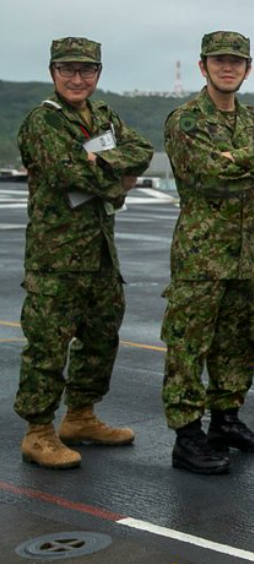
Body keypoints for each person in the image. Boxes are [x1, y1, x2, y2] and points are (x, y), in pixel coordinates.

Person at [161, 31, 254, 475]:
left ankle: (226, 420)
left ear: (248, 69)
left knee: (236, 342)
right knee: (188, 344)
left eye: (236, 62)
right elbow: (206, 174)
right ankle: (186, 436)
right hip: (200, 258)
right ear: (202, 66)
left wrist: (241, 159)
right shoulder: (186, 120)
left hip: (242, 255)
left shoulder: (252, 118)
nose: (228, 68)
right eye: (219, 61)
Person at [15, 38, 152, 469]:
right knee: (48, 345)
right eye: (68, 70)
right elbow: (65, 170)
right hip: (56, 256)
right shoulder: (44, 121)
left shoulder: (105, 116)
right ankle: (38, 431)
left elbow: (143, 151)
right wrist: (119, 180)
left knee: (101, 337)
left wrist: (100, 164)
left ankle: (80, 416)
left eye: (87, 71)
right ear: (53, 72)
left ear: (98, 73)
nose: (77, 79)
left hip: (99, 253)